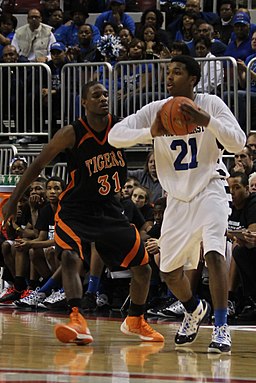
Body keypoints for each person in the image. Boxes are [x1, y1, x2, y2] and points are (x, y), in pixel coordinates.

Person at [2, 80, 164, 345]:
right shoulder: (72, 133)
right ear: (84, 102)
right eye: (96, 95)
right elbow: (38, 163)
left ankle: (135, 320)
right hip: (75, 209)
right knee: (68, 255)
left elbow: (150, 134)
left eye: (105, 95)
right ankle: (77, 318)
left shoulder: (119, 126)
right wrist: (14, 199)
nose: (103, 98)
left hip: (110, 209)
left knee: (143, 266)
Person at [109, 55, 246, 353]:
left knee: (213, 251)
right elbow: (115, 136)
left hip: (211, 187)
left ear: (193, 79)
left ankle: (221, 326)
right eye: (167, 72)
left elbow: (237, 142)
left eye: (177, 72)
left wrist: (206, 122)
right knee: (169, 271)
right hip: (177, 199)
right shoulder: (157, 110)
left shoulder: (210, 104)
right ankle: (194, 308)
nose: (169, 77)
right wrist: (151, 132)